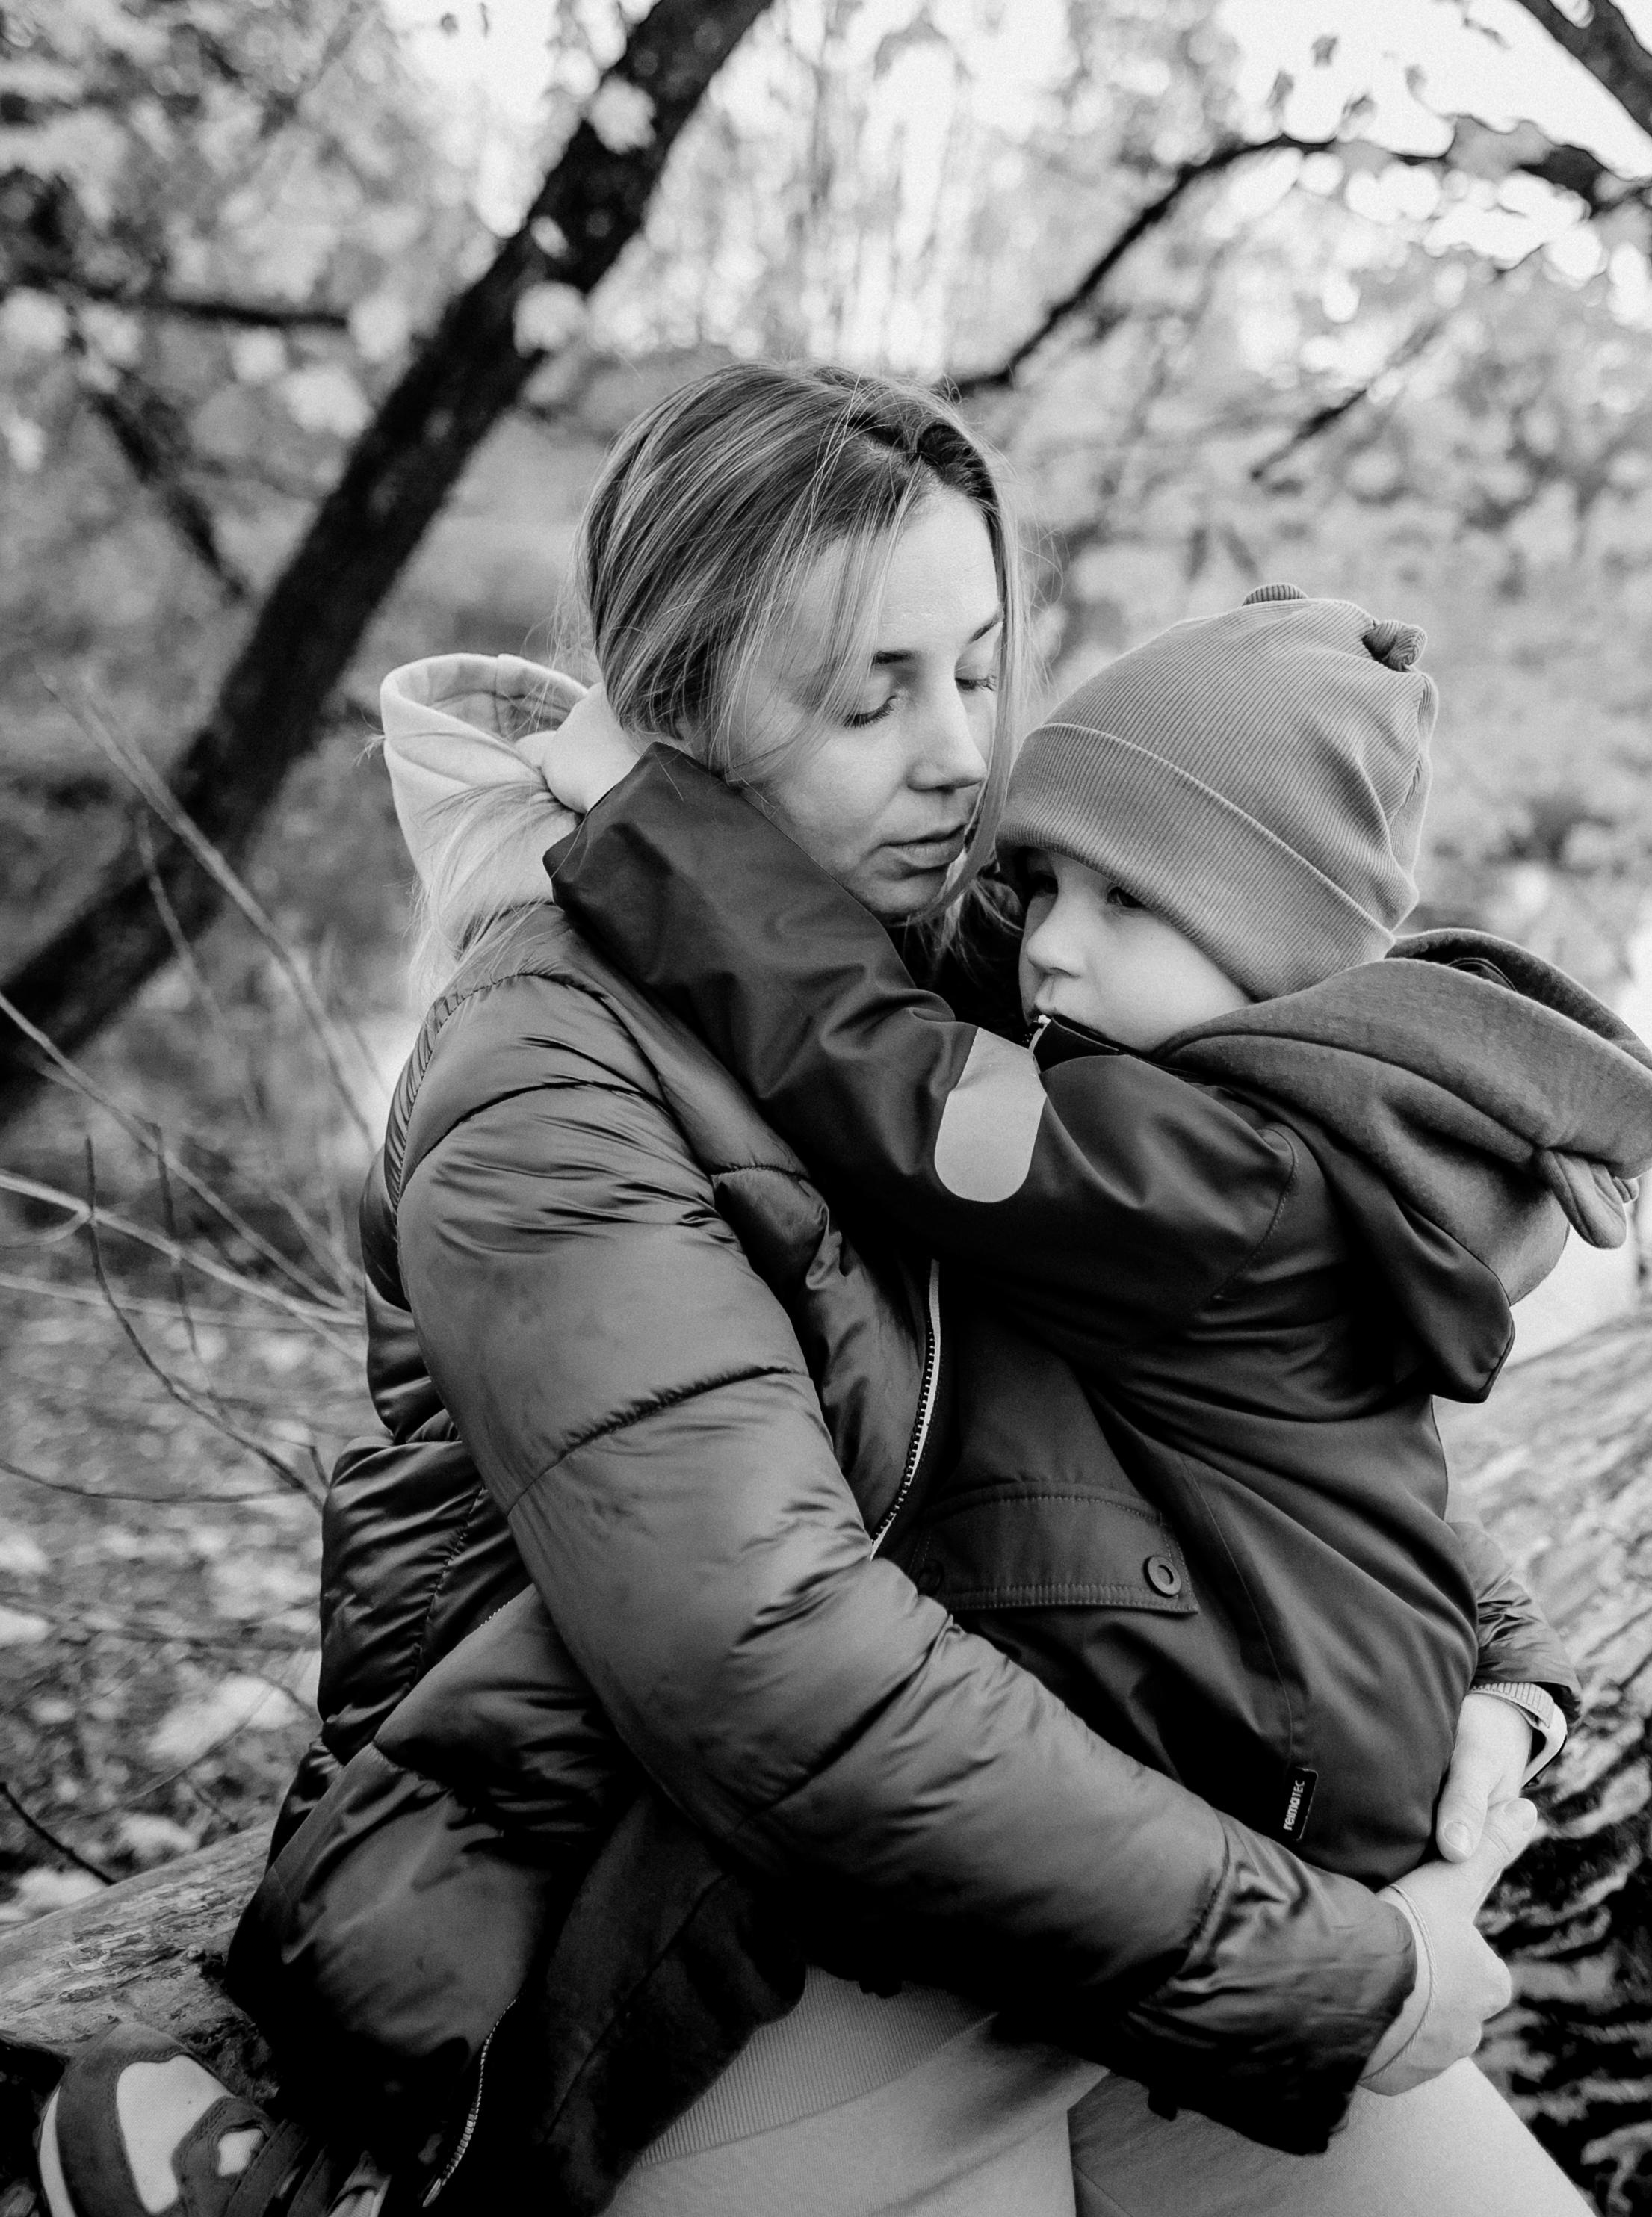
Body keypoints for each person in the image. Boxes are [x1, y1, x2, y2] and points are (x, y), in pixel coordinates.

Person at [37, 366, 1580, 2217]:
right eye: (870, 692)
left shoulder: (999, 953)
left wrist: (1500, 1662)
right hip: (743, 1948)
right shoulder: (548, 1074)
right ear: (677, 715)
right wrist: (1333, 1975)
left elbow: (1253, 1372)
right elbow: (774, 1675)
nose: (955, 751)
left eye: (978, 668)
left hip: (1105, 1887)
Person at [545, 581, 1652, 1893]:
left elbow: (907, 1087)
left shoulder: (1225, 1176)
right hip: (1331, 1709)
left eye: (1126, 900)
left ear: (1276, 944)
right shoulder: (1298, 1126)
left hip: (1284, 1772)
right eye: (1042, 882)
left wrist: (652, 827)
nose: (1052, 947)